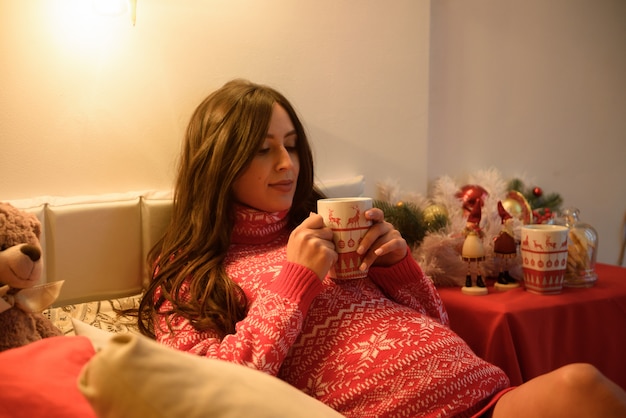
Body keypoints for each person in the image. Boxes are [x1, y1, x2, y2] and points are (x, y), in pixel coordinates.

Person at [138, 79, 626, 417]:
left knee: (579, 385)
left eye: (291, 145)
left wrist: (400, 269)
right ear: (220, 161)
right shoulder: (191, 270)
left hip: (484, 396)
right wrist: (294, 283)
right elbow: (213, 390)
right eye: (264, 149)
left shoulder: (326, 226)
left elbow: (436, 325)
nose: (287, 163)